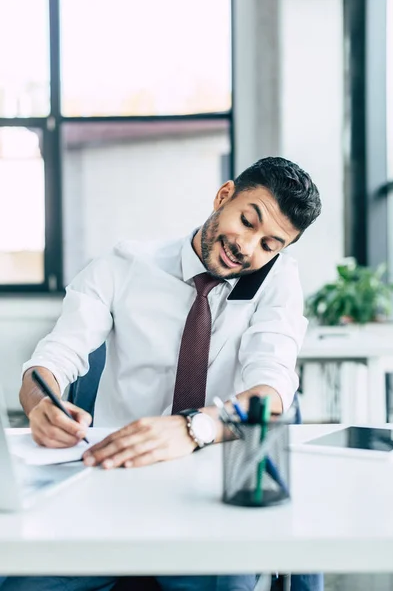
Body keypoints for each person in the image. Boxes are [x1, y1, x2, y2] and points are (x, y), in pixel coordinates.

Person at [3, 157, 323, 591]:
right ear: (224, 195)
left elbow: (272, 392)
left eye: (270, 244)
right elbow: (52, 360)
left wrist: (195, 428)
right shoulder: (124, 264)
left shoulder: (277, 282)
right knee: (22, 580)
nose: (248, 248)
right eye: (248, 222)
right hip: (112, 479)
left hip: (214, 489)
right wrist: (42, 404)